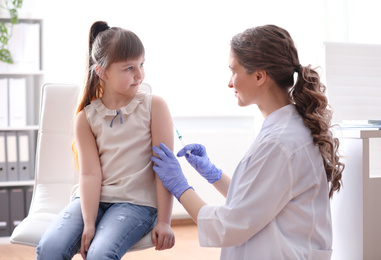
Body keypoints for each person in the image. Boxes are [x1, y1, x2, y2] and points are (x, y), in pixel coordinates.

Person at [151, 24, 344, 260]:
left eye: (234, 71)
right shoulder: (287, 128)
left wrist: (180, 187)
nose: (230, 83)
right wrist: (213, 174)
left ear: (260, 76)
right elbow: (260, 199)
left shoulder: (280, 143)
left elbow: (230, 226)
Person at [36, 21, 175, 259]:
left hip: (136, 203)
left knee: (100, 255)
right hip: (92, 200)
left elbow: (165, 167)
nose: (139, 74)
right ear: (102, 72)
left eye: (141, 64)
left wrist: (164, 221)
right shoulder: (86, 117)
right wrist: (89, 222)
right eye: (129, 68)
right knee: (50, 248)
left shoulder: (155, 106)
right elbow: (90, 174)